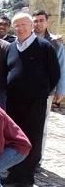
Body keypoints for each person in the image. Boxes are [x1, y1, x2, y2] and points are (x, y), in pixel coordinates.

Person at [4, 13, 60, 187]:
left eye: (23, 25)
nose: (20, 29)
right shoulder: (12, 48)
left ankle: (26, 178)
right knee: (14, 138)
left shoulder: (44, 47)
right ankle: (14, 173)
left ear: (31, 26)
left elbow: (54, 75)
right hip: (14, 101)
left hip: (34, 102)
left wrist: (39, 92)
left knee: (32, 139)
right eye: (16, 25)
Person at [32, 9, 65, 170]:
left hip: (46, 91)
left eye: (41, 20)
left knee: (41, 126)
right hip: (24, 92)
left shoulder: (55, 42)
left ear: (47, 22)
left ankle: (37, 159)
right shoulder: (23, 39)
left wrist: (61, 90)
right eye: (35, 20)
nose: (38, 23)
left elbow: (61, 67)